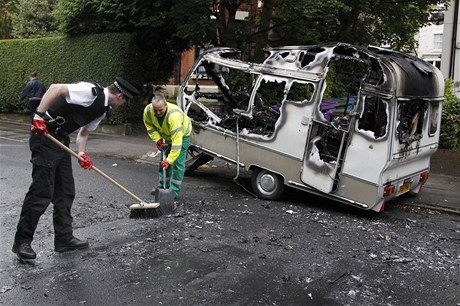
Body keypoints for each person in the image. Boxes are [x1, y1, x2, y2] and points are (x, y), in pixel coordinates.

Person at [12, 77, 140, 261]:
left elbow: (84, 133)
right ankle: (22, 241)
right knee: (41, 192)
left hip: (61, 140)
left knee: (65, 191)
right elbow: (56, 88)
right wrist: (38, 115)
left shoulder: (103, 110)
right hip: (44, 135)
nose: (123, 105)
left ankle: (64, 239)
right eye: (125, 102)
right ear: (120, 96)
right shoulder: (90, 92)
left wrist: (82, 153)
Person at [143, 95, 192, 199]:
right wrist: (157, 139)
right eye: (155, 110)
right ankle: (162, 188)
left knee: (177, 163)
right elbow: (149, 126)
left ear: (166, 105)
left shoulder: (174, 116)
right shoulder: (148, 111)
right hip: (166, 135)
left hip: (182, 136)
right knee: (163, 163)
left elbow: (177, 142)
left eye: (160, 110)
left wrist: (169, 160)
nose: (158, 113)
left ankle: (173, 193)